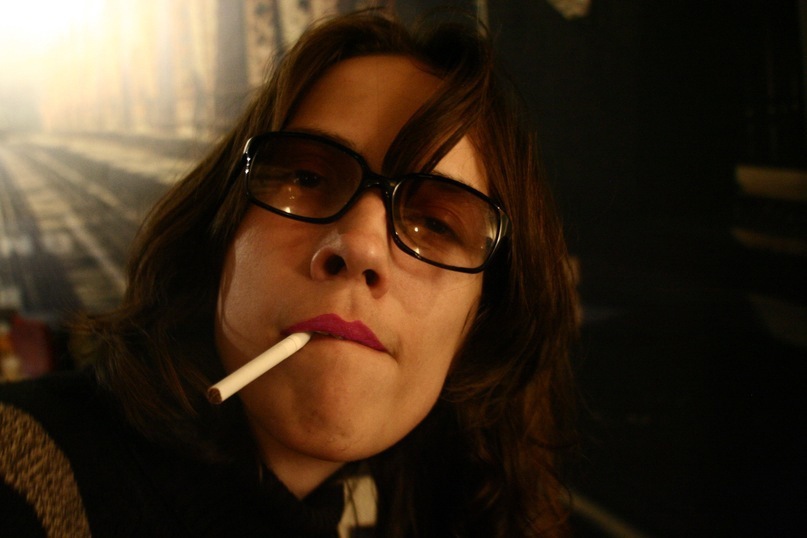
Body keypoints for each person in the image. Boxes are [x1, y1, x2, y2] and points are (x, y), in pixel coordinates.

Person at [0, 9, 578, 537]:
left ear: (481, 323)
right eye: (306, 178)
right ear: (221, 230)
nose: (360, 246)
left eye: (437, 222)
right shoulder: (23, 471)